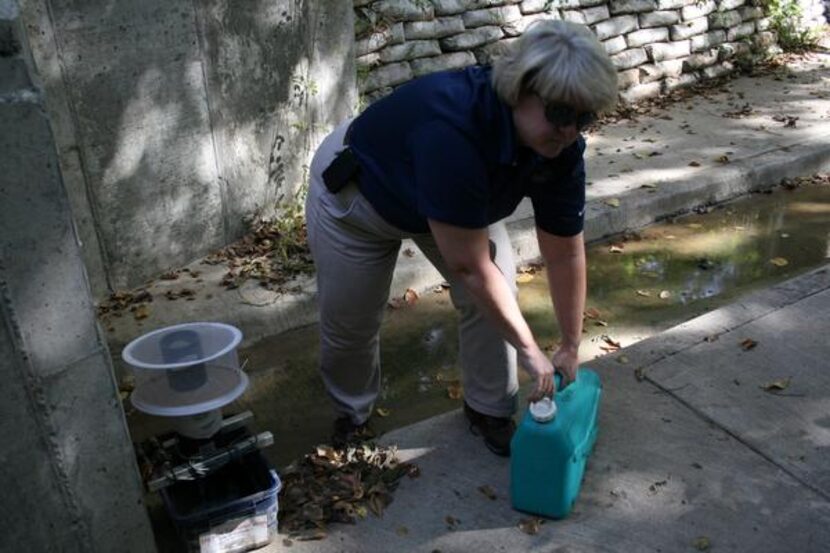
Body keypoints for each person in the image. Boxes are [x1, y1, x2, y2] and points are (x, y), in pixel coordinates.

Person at [304, 20, 618, 456]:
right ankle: (352, 416)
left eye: (583, 118)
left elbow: (564, 252)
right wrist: (530, 351)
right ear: (520, 91)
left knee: (495, 293)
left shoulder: (562, 150)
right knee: (351, 325)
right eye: (561, 114)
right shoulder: (453, 128)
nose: (570, 131)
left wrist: (568, 344)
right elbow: (469, 266)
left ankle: (488, 408)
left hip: (458, 205)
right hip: (361, 200)